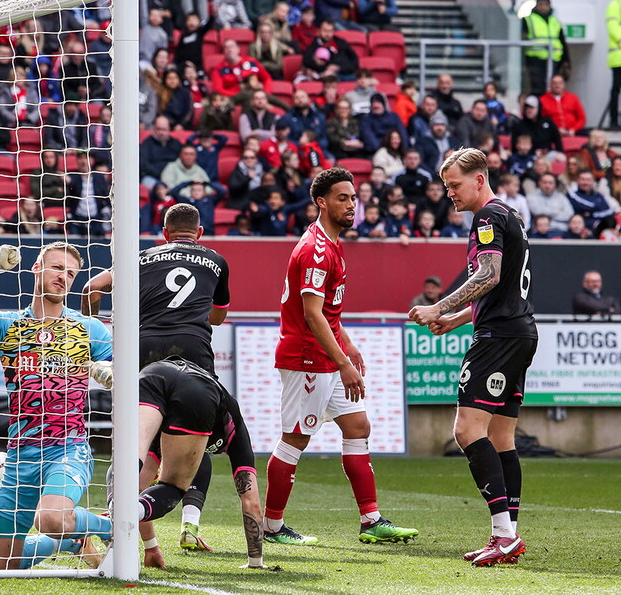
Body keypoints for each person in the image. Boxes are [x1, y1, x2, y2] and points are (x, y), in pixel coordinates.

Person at [263, 167, 419, 547]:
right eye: (342, 198)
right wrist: (345, 363)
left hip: (326, 355)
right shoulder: (317, 250)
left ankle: (371, 520)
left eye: (353, 198)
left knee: (357, 427)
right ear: (322, 202)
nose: (352, 205)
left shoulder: (331, 243)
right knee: (295, 439)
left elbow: (327, 311)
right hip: (308, 359)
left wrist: (346, 344)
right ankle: (270, 526)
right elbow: (312, 313)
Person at [0, 242, 113, 570]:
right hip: (19, 455)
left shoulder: (90, 329)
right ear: (37, 268)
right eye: (56, 268)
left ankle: (113, 526)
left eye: (70, 273)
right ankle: (70, 540)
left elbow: (123, 374)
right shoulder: (10, 325)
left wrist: (108, 371)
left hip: (68, 449)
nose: (63, 277)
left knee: (50, 517)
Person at [409, 147, 536, 567]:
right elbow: (500, 290)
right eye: (446, 186)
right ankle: (507, 537)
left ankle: (504, 534)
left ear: (479, 179)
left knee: (466, 429)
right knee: (501, 437)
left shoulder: (488, 217)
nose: (450, 193)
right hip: (518, 331)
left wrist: (438, 308)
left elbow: (489, 274)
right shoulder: (510, 213)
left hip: (500, 337)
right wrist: (459, 319)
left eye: (456, 185)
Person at [82, 203, 230, 552]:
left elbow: (91, 287)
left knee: (139, 443)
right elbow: (219, 316)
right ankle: (186, 525)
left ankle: (116, 516)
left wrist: (94, 332)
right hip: (192, 351)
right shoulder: (216, 260)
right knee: (195, 439)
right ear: (200, 233)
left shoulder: (142, 257)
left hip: (143, 351)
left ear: (164, 233)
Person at [132, 358, 272, 570]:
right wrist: (256, 562)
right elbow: (251, 499)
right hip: (198, 391)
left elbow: (141, 485)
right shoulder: (237, 432)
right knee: (173, 486)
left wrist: (151, 547)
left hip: (153, 373)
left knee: (132, 459)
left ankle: (113, 509)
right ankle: (123, 516)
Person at [522, 0, 568, 97]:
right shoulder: (528, 20)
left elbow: (562, 41)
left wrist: (566, 61)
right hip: (535, 60)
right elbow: (523, 39)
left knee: (552, 88)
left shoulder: (555, 22)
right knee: (538, 88)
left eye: (546, 4)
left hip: (554, 59)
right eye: (541, 4)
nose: (543, 7)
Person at [608, 0, 621, 130]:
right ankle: (613, 121)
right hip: (618, 58)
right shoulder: (615, 5)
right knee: (616, 90)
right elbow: (613, 28)